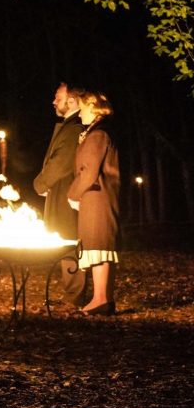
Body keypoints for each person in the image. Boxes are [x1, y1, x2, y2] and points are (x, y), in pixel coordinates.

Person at [33, 82, 87, 305]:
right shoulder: (69, 125)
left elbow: (62, 161)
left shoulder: (74, 127)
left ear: (72, 101)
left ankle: (75, 295)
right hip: (61, 191)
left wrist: (40, 183)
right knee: (66, 240)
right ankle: (72, 293)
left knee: (69, 241)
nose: (53, 101)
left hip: (67, 193)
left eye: (58, 98)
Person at [68, 90, 120, 315]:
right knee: (99, 245)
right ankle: (104, 299)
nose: (79, 114)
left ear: (92, 107)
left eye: (82, 108)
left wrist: (73, 193)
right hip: (97, 197)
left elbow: (88, 172)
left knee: (99, 245)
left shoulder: (97, 135)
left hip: (96, 198)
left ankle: (101, 299)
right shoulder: (97, 133)